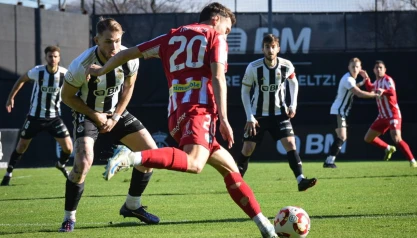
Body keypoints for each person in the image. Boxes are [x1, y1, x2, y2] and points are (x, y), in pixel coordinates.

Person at [87, 3, 278, 237]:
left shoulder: (171, 36)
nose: (225, 34)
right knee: (195, 163)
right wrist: (225, 119)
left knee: (230, 170)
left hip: (177, 113)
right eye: (227, 29)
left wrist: (101, 69)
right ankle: (130, 156)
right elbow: (218, 77)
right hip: (199, 110)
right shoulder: (214, 37)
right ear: (216, 19)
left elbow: (128, 53)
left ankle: (266, 227)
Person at [58, 17, 160, 232]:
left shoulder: (130, 57)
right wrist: (96, 115)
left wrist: (114, 117)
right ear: (96, 40)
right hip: (86, 113)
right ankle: (69, 218)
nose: (114, 47)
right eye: (107, 42)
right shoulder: (81, 64)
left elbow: (128, 88)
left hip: (115, 113)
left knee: (151, 153)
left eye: (117, 41)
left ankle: (132, 206)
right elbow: (66, 97)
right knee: (83, 162)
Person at [235, 34, 316, 192]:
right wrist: (249, 116)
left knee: (291, 144)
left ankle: (301, 180)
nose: (270, 50)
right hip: (257, 116)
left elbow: (293, 82)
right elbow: (244, 92)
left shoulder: (286, 65)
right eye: (267, 47)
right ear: (262, 49)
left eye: (273, 47)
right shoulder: (253, 67)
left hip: (279, 113)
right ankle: (236, 183)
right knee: (248, 148)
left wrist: (293, 104)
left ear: (278, 48)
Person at [1, 46, 73, 186]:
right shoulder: (38, 71)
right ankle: (8, 173)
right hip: (34, 117)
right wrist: (11, 97)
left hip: (54, 118)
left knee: (68, 148)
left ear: (59, 58)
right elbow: (21, 79)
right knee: (21, 146)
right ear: (46, 57)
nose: (53, 59)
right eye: (50, 56)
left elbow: (77, 83)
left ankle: (61, 164)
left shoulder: (65, 74)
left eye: (55, 56)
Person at [323, 58, 383, 168]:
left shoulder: (350, 79)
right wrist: (375, 94)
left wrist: (363, 82)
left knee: (341, 137)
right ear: (348, 68)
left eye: (357, 66)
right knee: (342, 136)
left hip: (340, 112)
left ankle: (329, 161)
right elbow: (358, 93)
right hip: (338, 111)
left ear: (360, 68)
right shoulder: (348, 79)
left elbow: (354, 88)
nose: (354, 69)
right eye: (352, 66)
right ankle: (329, 161)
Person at [362, 60, 417, 168]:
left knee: (397, 138)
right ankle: (388, 148)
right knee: (368, 138)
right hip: (382, 116)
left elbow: (392, 92)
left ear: (385, 70)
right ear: (374, 70)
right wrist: (366, 78)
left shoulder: (388, 79)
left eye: (380, 67)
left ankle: (413, 162)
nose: (378, 69)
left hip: (393, 114)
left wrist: (383, 91)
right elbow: (370, 88)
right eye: (376, 68)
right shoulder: (377, 82)